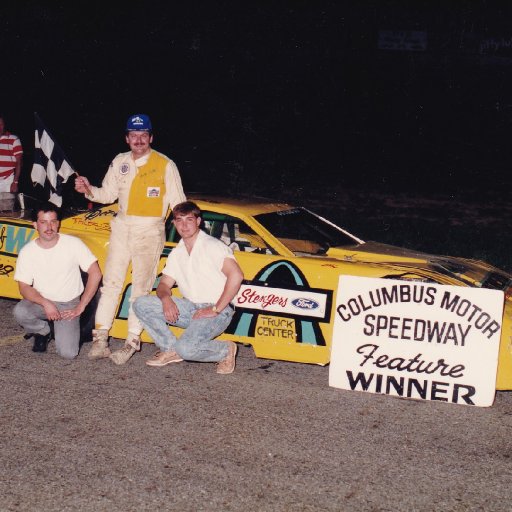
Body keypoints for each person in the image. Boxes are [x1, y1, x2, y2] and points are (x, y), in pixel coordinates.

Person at [74, 114, 186, 365]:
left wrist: (188, 238)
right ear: (127, 139)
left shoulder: (166, 164)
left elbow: (179, 205)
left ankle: (130, 342)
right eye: (133, 136)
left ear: (151, 138)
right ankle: (100, 339)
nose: (138, 140)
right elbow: (106, 194)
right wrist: (87, 189)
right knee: (111, 283)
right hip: (122, 227)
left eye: (143, 135)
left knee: (141, 289)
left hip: (150, 230)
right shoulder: (119, 161)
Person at [133, 201, 243, 374]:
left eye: (189, 220)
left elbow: (236, 276)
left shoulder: (212, 246)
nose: (184, 225)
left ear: (198, 221)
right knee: (141, 304)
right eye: (179, 220)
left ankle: (225, 350)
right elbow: (163, 284)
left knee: (187, 349)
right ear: (174, 223)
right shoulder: (178, 253)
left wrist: (215, 308)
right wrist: (166, 299)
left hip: (219, 311)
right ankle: (170, 349)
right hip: (191, 308)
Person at [13, 203, 102, 359]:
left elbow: (95, 273)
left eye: (53, 221)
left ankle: (62, 328)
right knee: (20, 311)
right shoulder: (27, 251)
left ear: (58, 223)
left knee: (68, 353)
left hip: (68, 305)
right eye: (43, 222)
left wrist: (81, 305)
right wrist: (45, 303)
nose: (49, 227)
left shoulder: (73, 244)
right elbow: (24, 287)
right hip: (42, 302)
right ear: (35, 225)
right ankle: (42, 330)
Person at [0, 114, 23, 212]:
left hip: (7, 180)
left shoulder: (13, 139)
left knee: (6, 211)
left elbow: (19, 162)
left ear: (4, 125)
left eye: (0, 124)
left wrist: (15, 182)